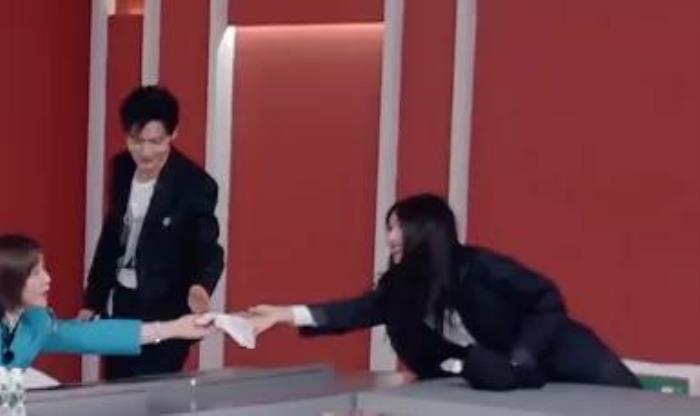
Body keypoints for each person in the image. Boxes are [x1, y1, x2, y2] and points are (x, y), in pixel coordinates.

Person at [247, 194, 640, 391]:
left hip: (571, 363)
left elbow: (546, 299)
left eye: (398, 228)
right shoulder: (403, 287)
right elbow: (357, 311)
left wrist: (520, 358)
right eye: (389, 229)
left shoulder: (481, 267)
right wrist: (283, 314)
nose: (390, 238)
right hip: (511, 387)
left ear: (427, 232)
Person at [77, 85, 224, 379]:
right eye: (136, 140)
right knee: (115, 388)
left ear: (173, 133)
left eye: (156, 142)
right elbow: (110, 240)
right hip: (121, 306)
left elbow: (209, 250)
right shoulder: (122, 167)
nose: (145, 152)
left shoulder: (195, 185)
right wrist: (92, 302)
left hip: (166, 311)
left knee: (151, 394)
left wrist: (200, 287)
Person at [0, 234, 214, 369]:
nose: (48, 279)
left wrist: (174, 328)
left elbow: (90, 335)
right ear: (10, 280)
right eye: (36, 273)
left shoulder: (36, 322)